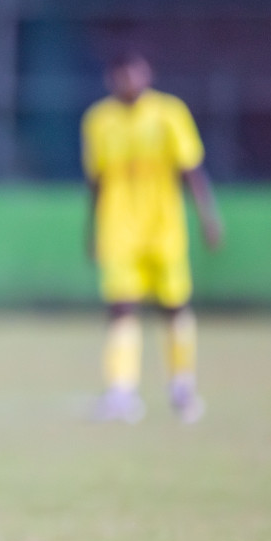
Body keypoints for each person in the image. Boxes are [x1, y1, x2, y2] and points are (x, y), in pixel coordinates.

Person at [83, 48, 223, 424]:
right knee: (121, 310)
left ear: (147, 74)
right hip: (119, 229)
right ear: (111, 78)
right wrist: (91, 230)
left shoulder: (169, 114)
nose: (129, 81)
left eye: (135, 73)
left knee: (174, 307)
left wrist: (208, 217)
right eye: (121, 74)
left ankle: (182, 385)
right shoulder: (98, 121)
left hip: (164, 228)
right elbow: (95, 182)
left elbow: (191, 170)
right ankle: (121, 391)